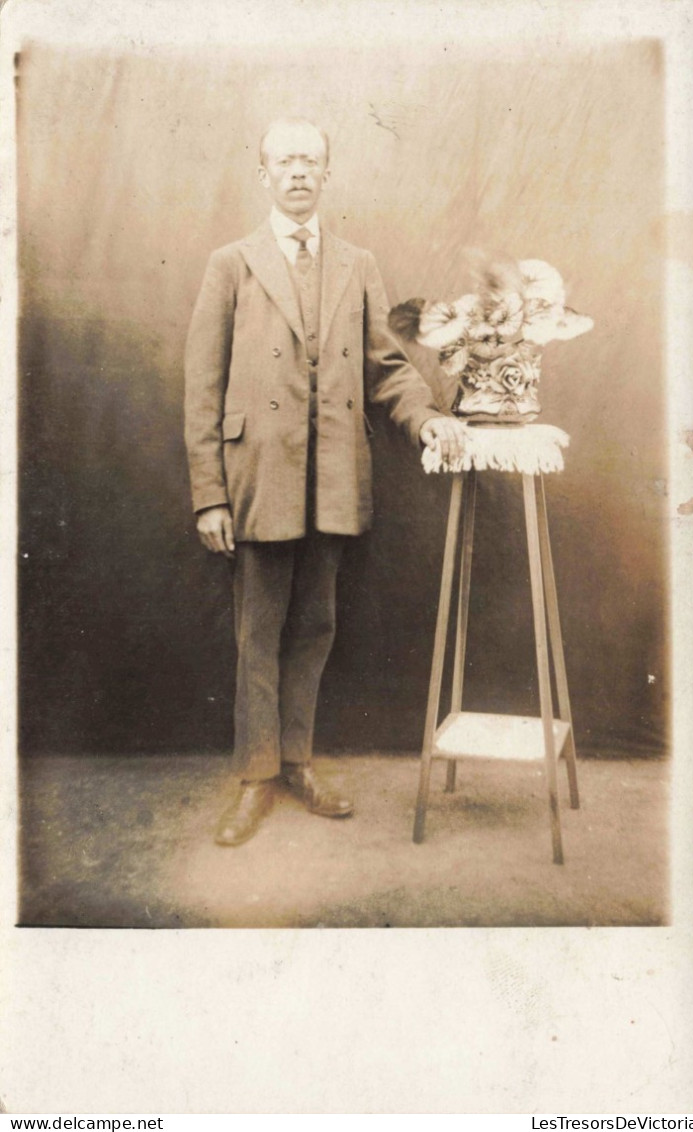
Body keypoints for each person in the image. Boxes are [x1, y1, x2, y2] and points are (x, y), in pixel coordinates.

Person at [184, 117, 466, 846]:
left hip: (332, 476)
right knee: (257, 630)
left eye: (310, 161)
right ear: (264, 173)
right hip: (259, 476)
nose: (298, 172)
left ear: (326, 173)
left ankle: (297, 762)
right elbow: (201, 386)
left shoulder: (355, 263)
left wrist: (428, 419)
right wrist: (209, 493)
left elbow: (387, 368)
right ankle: (256, 776)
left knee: (313, 626)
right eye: (285, 161)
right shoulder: (231, 264)